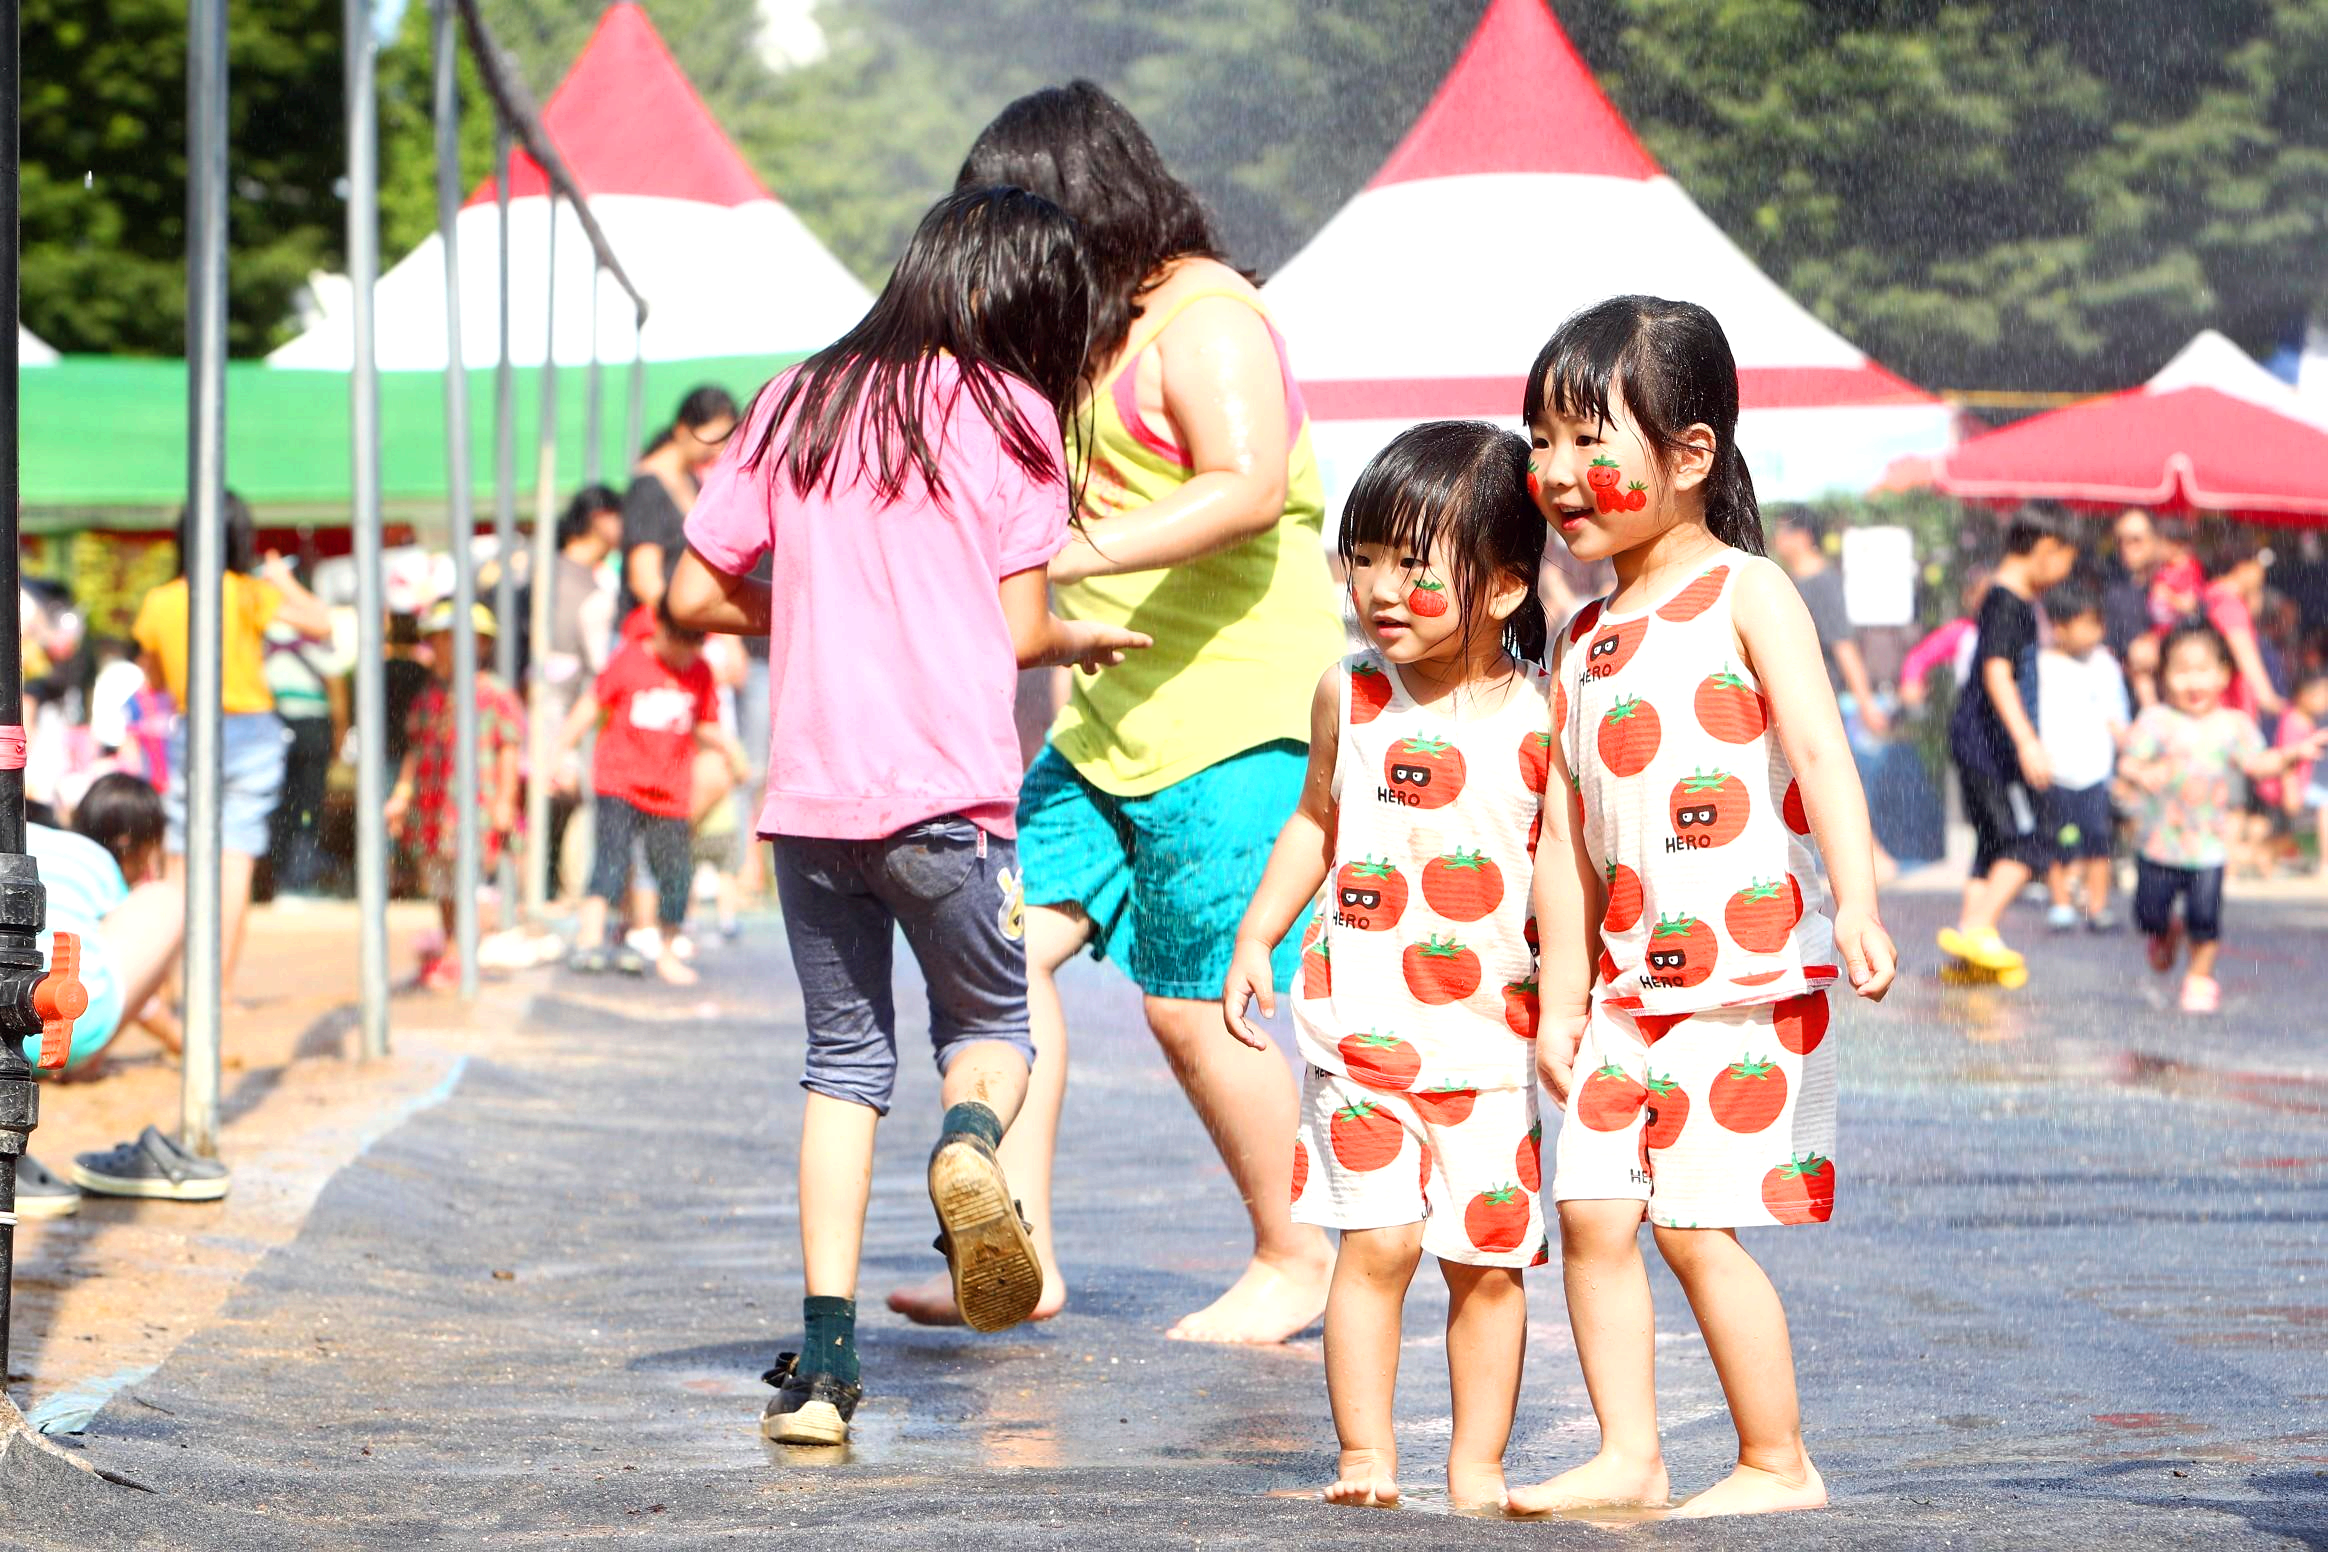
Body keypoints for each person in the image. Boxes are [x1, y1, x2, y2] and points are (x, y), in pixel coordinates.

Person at [666, 186, 1148, 1447]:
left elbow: (689, 593)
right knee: (991, 1026)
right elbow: (1024, 631)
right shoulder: (1012, 412)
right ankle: (973, 1143)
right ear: (1010, 297)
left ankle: (823, 1375)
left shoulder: (793, 398)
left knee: (842, 1063)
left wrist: (820, 613)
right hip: (948, 800)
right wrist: (1079, 637)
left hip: (812, 808)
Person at [884, 80, 1347, 1345]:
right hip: (1105, 726)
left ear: (1078, 208)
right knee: (997, 955)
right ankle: (1017, 1253)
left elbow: (1246, 485)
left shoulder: (1204, 316)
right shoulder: (1079, 342)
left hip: (1237, 713)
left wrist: (1059, 556)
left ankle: (1296, 1252)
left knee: (1198, 997)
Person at [1512, 295, 1896, 1519]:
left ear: (1690, 456)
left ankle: (1778, 1459)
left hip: (1742, 976)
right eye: (1541, 442)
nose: (1558, 473)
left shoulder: (1749, 593)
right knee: (1591, 1215)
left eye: (1589, 441)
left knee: (1694, 1226)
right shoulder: (1579, 640)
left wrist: (1859, 901)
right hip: (1626, 989)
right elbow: (1565, 841)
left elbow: (1824, 757)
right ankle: (1631, 1451)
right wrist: (1560, 999)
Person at [1220, 423, 1549, 1510]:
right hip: (1358, 1028)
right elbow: (1315, 820)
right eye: (1363, 557)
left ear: (1503, 589)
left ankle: (1478, 1462)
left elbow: (1567, 880)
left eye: (1416, 562)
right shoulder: (1348, 697)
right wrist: (1258, 933)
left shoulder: (1544, 717)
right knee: (1379, 1244)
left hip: (1493, 1043)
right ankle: (1365, 1453)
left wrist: (1578, 1007)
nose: (1381, 588)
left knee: (1488, 1266)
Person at [131, 491, 332, 998]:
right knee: (235, 859)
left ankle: (167, 982)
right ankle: (212, 994)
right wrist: (283, 580)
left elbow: (152, 680)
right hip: (253, 731)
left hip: (193, 727)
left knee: (181, 858)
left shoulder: (162, 600)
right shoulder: (245, 592)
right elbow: (322, 623)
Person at [2121, 622, 2327, 1013]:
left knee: (2206, 918)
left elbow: (2258, 763)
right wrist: (2141, 773)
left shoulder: (2234, 725)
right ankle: (2165, 931)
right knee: (2148, 915)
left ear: (2223, 675)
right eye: (2181, 672)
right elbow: (2129, 761)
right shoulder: (2156, 721)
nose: (2192, 682)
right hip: (2159, 844)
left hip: (2209, 848)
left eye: (2203, 671)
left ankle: (2199, 977)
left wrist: (2291, 756)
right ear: (2164, 676)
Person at [16, 775, 198, 1213]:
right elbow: (124, 969)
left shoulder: (18, 837)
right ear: (131, 844)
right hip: (66, 1029)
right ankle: (82, 1060)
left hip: (7, 1025)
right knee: (165, 900)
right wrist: (179, 1039)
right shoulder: (95, 861)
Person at [556, 595, 748, 986]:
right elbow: (591, 705)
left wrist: (730, 749)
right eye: (677, 646)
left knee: (676, 871)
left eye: (691, 648)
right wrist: (560, 751)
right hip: (619, 781)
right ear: (658, 629)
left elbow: (705, 722)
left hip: (671, 789)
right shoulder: (629, 660)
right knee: (610, 859)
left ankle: (668, 947)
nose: (682, 658)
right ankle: (590, 938)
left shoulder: (699, 672)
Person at [1939, 506, 2078, 979]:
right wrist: (2026, 742)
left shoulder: (2003, 598)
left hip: (1979, 740)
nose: (2063, 574)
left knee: (1993, 842)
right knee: (2036, 836)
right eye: (2064, 561)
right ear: (2044, 549)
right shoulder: (2009, 602)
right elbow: (1997, 673)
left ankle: (1970, 953)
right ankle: (1977, 928)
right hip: (1992, 744)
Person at [384, 602, 525, 991]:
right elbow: (417, 748)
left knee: (469, 879)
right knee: (441, 881)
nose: (444, 649)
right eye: (439, 640)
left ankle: (463, 952)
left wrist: (505, 801)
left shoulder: (493, 693)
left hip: (475, 805)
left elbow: (508, 748)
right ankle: (450, 946)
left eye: (453, 640)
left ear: (479, 645)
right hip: (433, 808)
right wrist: (402, 793)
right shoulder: (429, 696)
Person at [537, 485, 625, 898]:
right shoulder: (549, 574)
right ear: (599, 518)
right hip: (551, 703)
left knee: (583, 798)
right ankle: (544, 891)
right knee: (550, 794)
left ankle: (575, 893)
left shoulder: (600, 578)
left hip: (590, 704)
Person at [2034, 578, 2131, 932]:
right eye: (2087, 624)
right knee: (2055, 841)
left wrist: (2130, 754)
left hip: (2094, 770)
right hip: (2054, 770)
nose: (2096, 632)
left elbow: (2116, 713)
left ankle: (2098, 905)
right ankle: (2061, 903)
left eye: (2098, 623)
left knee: (2097, 841)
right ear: (2059, 626)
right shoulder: (2041, 665)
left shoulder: (2103, 663)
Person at [262, 590, 351, 896]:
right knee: (307, 805)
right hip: (312, 725)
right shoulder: (315, 630)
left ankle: (280, 876)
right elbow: (335, 685)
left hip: (274, 723)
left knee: (279, 804)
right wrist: (339, 734)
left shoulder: (264, 627)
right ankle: (297, 878)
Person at [621, 387, 739, 617]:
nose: (718, 450)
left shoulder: (691, 479)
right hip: (659, 633)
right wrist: (684, 624)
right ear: (683, 430)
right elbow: (645, 580)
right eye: (714, 439)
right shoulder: (647, 487)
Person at [2278, 668, 2328, 878]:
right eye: (2323, 694)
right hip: (2296, 786)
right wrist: (2290, 790)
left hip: (2306, 784)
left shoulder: (2307, 720)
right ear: (2304, 696)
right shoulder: (2294, 721)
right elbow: (2286, 760)